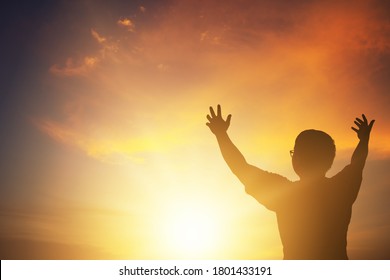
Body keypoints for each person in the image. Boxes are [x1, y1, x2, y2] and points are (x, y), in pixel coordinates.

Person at [206, 104, 375, 259]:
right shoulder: (341, 190)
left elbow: (240, 167)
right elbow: (358, 163)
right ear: (329, 159)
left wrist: (221, 135)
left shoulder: (285, 194)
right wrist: (364, 139)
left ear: (298, 158)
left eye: (295, 151)